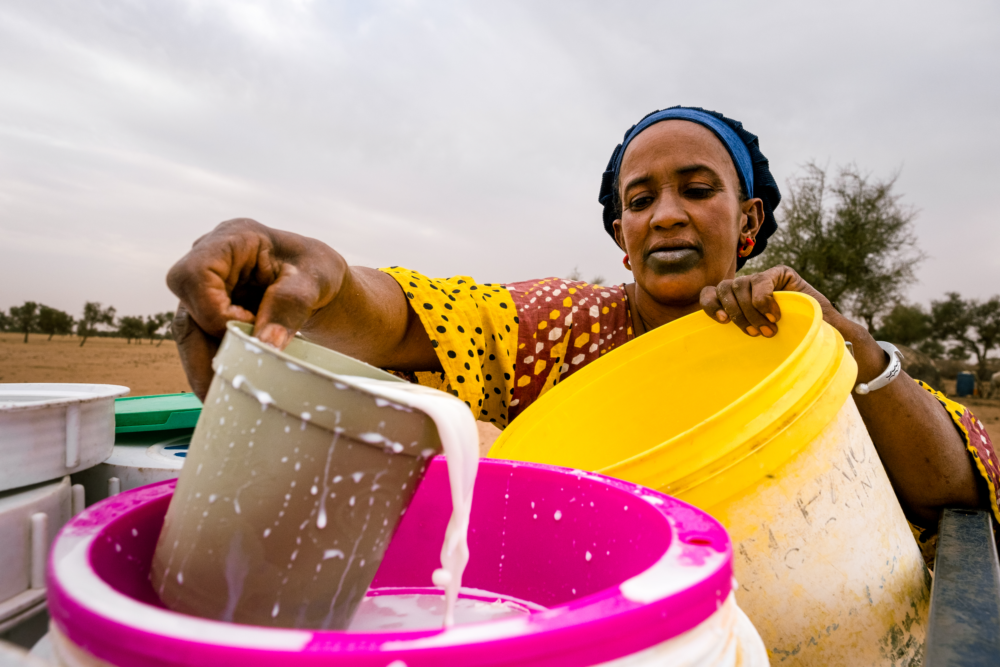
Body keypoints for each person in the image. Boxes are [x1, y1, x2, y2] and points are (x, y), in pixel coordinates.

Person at [167, 106, 997, 555]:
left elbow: (960, 485)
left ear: (746, 222)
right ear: (620, 238)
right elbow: (437, 314)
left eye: (696, 188)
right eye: (639, 200)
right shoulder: (563, 326)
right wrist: (321, 281)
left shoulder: (800, 343)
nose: (664, 212)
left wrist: (846, 346)